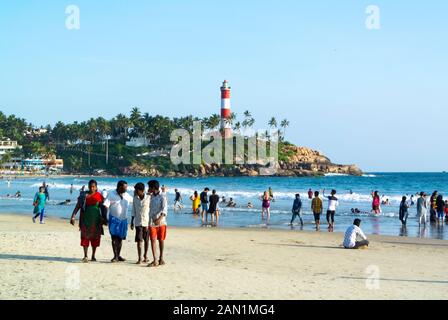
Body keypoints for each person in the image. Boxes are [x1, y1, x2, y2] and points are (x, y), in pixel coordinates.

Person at [70, 180, 105, 263]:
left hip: (96, 221)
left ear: (96, 187)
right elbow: (78, 206)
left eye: (93, 186)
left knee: (95, 238)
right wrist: (73, 216)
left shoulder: (99, 196)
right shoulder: (83, 196)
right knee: (85, 237)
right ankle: (85, 255)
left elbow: (102, 208)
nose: (92, 188)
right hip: (85, 220)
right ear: (88, 186)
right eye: (90, 186)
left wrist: (104, 218)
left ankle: (93, 256)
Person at [104, 180, 133, 263]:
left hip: (123, 220)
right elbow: (105, 206)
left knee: (120, 239)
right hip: (113, 219)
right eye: (125, 187)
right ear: (120, 187)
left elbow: (135, 201)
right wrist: (105, 217)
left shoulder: (127, 195)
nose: (126, 188)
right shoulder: (111, 194)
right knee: (114, 237)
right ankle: (115, 256)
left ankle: (118, 255)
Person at [147, 180, 168, 268]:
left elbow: (164, 208)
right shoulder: (150, 196)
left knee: (161, 240)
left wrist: (159, 218)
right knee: (153, 240)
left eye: (149, 187)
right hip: (152, 222)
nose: (148, 189)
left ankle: (161, 258)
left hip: (161, 222)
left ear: (153, 188)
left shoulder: (162, 196)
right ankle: (155, 260)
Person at [131, 183, 150, 264]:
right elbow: (133, 210)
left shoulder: (149, 198)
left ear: (141, 190)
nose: (135, 191)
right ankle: (139, 258)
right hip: (138, 222)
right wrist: (131, 221)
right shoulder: (135, 198)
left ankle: (145, 256)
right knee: (139, 241)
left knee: (146, 240)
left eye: (136, 190)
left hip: (147, 222)